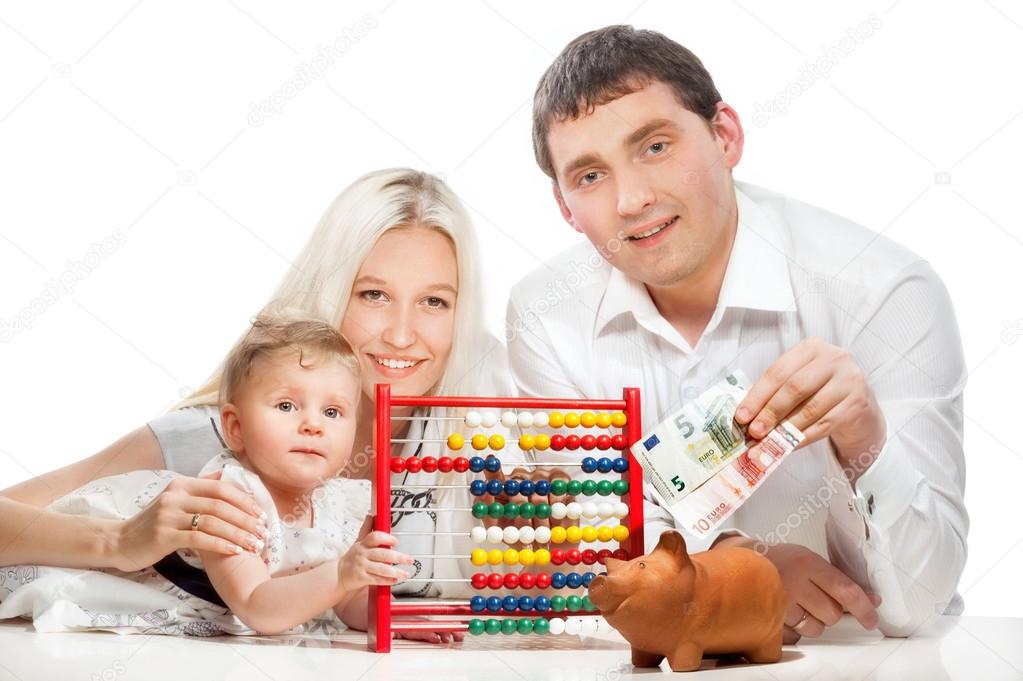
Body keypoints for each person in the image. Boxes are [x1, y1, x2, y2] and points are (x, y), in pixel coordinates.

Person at [508, 25, 967, 643]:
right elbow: (602, 536)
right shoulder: (544, 317)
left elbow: (919, 604)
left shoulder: (887, 290)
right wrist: (737, 569)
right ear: (565, 207)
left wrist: (865, 436)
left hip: (866, 661)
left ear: (725, 135)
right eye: (590, 176)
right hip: (668, 650)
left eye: (654, 146)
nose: (632, 199)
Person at [0, 169, 519, 643]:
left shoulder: (468, 433)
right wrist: (116, 541)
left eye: (434, 302)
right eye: (373, 295)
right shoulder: (210, 444)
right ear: (331, 292)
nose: (402, 335)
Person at [0, 315, 411, 636]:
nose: (312, 425)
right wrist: (341, 574)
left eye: (332, 412)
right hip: (106, 558)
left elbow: (348, 600)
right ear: (234, 427)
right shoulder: (231, 495)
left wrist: (388, 616)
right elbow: (257, 605)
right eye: (287, 406)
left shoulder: (340, 504)